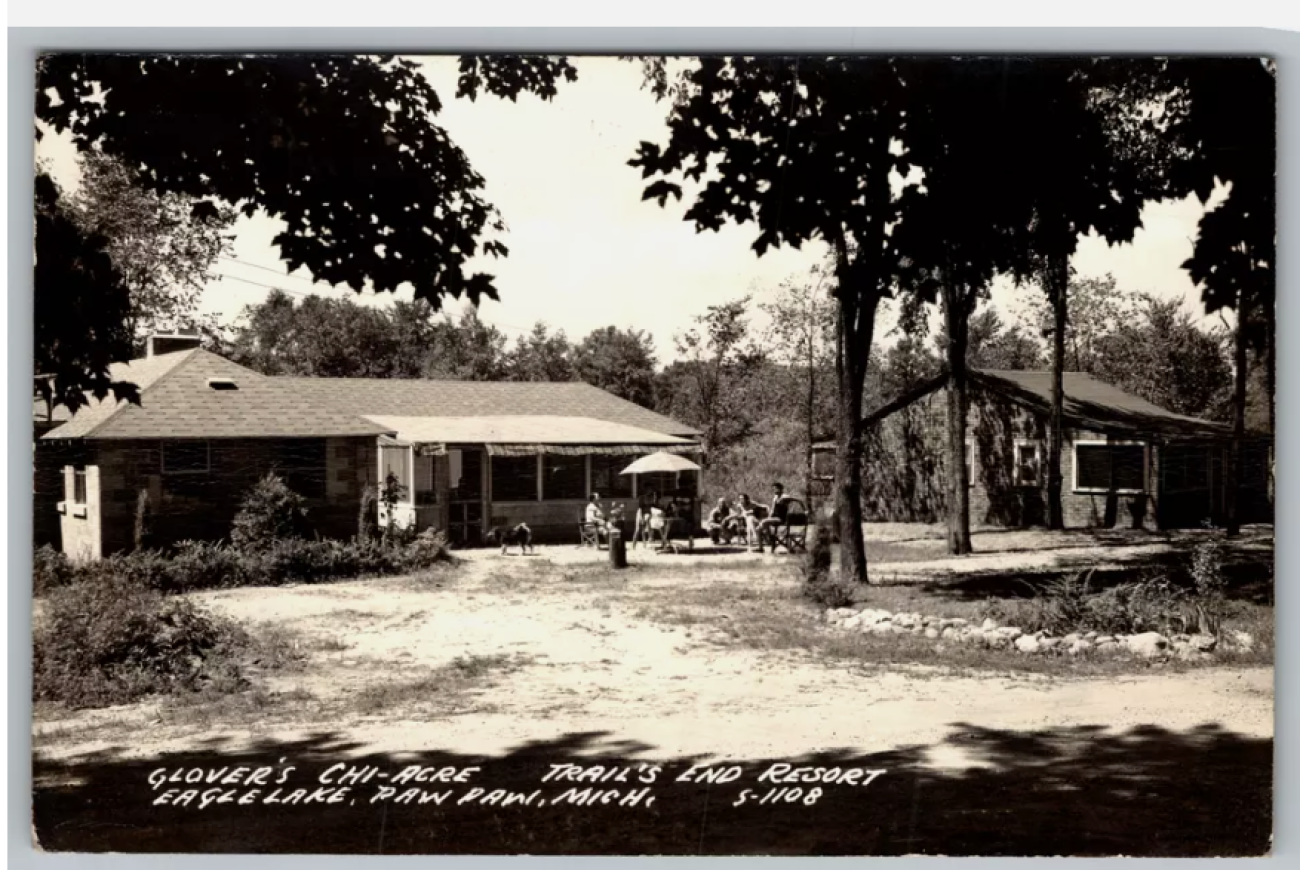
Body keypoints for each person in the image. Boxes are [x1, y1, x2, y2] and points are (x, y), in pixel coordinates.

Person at [756, 482, 791, 552]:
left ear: (780, 489)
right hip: (774, 518)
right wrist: (769, 517)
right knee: (758, 529)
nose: (774, 491)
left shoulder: (785, 496)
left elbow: (789, 499)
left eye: (776, 489)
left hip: (781, 518)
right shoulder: (775, 498)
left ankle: (770, 539)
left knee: (763, 523)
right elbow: (772, 509)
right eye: (773, 489)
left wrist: (782, 499)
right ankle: (761, 547)